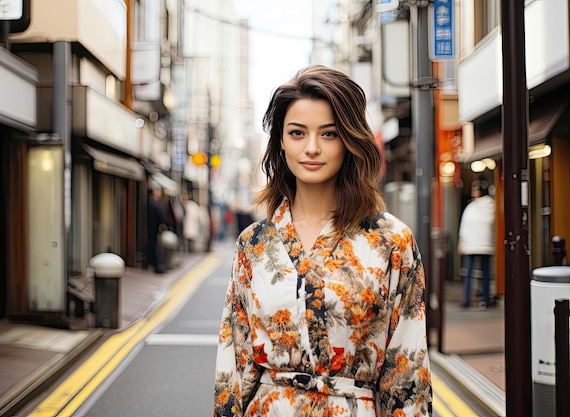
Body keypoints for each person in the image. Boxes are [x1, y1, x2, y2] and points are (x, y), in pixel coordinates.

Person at [213, 66, 432, 417]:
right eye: (297, 133)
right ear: (280, 141)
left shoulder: (391, 241)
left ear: (349, 140)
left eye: (328, 134)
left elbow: (407, 372)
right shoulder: (254, 244)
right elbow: (234, 364)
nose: (311, 148)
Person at [458, 179, 496, 308]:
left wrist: (462, 242)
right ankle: (486, 299)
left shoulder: (472, 207)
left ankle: (466, 301)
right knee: (486, 273)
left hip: (471, 245)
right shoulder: (492, 206)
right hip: (487, 245)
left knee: (468, 273)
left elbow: (465, 226)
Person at [143, 186, 167, 273]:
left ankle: (147, 264)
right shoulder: (156, 204)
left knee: (150, 246)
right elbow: (162, 217)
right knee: (154, 246)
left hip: (149, 228)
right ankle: (155, 265)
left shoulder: (148, 203)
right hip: (154, 228)